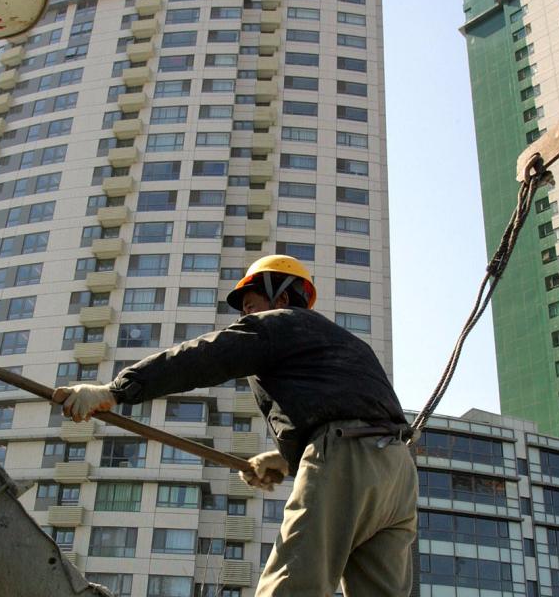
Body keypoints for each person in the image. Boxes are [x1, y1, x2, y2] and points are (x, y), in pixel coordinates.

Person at [56, 255, 418, 596]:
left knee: (291, 589)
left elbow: (206, 356)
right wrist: (285, 460)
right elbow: (348, 411)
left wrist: (115, 391)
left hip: (346, 459)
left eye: (252, 300)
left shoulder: (281, 324)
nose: (245, 311)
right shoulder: (345, 344)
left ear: (282, 294)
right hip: (398, 475)